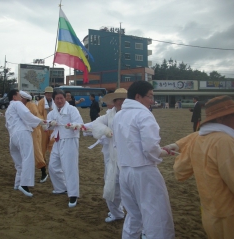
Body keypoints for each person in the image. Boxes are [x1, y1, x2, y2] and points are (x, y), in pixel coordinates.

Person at [164, 95, 234, 239]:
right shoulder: (224, 141)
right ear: (220, 119)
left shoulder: (199, 139)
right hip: (229, 214)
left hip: (209, 210)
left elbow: (180, 171)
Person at [113, 81, 175, 239]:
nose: (152, 101)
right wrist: (163, 152)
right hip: (144, 171)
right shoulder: (144, 114)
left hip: (124, 171)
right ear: (138, 96)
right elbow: (150, 148)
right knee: (156, 215)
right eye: (150, 96)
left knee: (134, 215)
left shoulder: (119, 115)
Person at [92, 88, 126, 223]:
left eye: (124, 99)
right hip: (113, 157)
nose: (121, 102)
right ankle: (117, 213)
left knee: (132, 190)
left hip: (129, 158)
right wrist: (105, 130)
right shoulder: (110, 115)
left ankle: (140, 220)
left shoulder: (134, 114)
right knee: (111, 187)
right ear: (115, 101)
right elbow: (96, 123)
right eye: (119, 99)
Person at [46, 89, 83, 208]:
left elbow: (80, 123)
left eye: (61, 98)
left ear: (65, 98)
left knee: (70, 167)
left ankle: (73, 194)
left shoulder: (72, 109)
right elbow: (45, 126)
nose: (59, 101)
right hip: (57, 140)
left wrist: (73, 125)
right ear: (54, 100)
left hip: (70, 140)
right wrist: (50, 124)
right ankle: (61, 188)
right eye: (57, 99)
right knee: (53, 166)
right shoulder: (52, 112)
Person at [5, 90, 44, 197]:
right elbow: (27, 115)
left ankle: (17, 184)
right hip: (22, 133)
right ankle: (24, 184)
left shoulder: (8, 109)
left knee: (19, 161)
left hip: (13, 136)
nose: (21, 98)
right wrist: (40, 122)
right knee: (27, 158)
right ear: (14, 97)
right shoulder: (17, 104)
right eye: (19, 95)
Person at [25, 93, 48, 183]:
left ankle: (43, 172)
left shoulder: (31, 106)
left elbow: (36, 117)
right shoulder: (23, 105)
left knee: (36, 151)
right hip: (27, 131)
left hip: (34, 131)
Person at [37, 86, 55, 162]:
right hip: (44, 127)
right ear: (45, 94)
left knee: (53, 143)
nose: (49, 94)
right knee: (43, 145)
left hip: (52, 126)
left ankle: (53, 159)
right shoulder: (41, 102)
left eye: (50, 93)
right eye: (48, 93)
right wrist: (43, 122)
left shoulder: (55, 101)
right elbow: (39, 113)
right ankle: (42, 160)